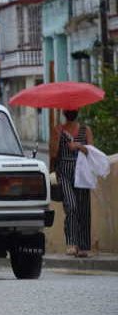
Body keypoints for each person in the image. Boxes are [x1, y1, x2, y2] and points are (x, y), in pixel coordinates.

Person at [49, 109, 94, 258]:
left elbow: (91, 152)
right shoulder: (59, 130)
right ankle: (71, 243)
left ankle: (82, 246)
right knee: (71, 206)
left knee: (83, 208)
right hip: (65, 173)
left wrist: (79, 147)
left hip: (82, 173)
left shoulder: (85, 130)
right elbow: (54, 154)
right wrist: (55, 136)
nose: (71, 112)